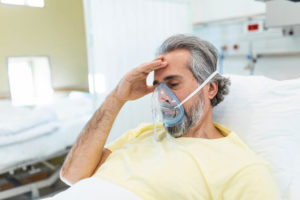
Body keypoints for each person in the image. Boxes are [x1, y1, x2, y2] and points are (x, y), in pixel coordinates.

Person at [49, 35, 281, 200]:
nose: (164, 96)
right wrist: (117, 97)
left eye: (173, 84)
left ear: (210, 89)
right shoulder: (142, 133)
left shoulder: (240, 167)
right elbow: (72, 175)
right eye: (158, 86)